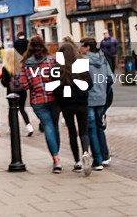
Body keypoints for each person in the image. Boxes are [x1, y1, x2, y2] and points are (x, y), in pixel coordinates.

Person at [19, 35, 63, 173]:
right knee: (54, 126)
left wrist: (34, 84)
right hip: (54, 97)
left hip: (38, 100)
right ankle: (56, 154)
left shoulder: (26, 64)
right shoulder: (51, 60)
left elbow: (24, 85)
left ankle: (56, 159)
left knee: (48, 126)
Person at [54, 41, 93, 175]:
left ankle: (77, 162)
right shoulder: (81, 64)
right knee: (84, 131)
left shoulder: (58, 67)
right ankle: (85, 152)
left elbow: (54, 88)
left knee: (72, 132)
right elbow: (90, 83)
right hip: (82, 102)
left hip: (66, 104)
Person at [81, 37, 113, 171]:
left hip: (89, 99)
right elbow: (110, 79)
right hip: (101, 98)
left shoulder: (83, 62)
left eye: (82, 46)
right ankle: (105, 156)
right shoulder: (103, 60)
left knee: (91, 128)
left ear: (88, 47)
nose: (80, 48)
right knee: (100, 127)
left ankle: (97, 161)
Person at [0, 47, 33, 136]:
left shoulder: (6, 67)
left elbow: (4, 82)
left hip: (12, 92)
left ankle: (11, 127)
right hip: (22, 91)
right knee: (22, 109)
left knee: (12, 110)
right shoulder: (21, 65)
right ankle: (29, 126)